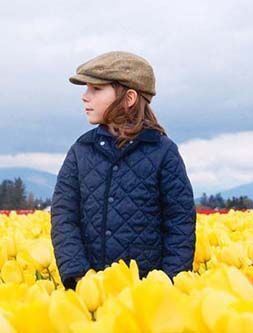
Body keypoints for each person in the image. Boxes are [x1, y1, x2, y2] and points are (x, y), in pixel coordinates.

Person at [51, 51, 196, 289]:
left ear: (129, 98)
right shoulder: (81, 151)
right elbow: (64, 216)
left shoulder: (163, 152)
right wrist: (78, 276)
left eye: (96, 89)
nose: (84, 97)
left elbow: (180, 222)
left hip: (146, 294)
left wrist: (170, 282)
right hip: (91, 288)